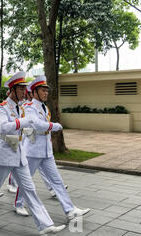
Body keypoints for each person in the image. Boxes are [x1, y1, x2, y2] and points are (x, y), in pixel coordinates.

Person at [0, 71, 65, 236]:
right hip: (4, 154)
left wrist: (32, 130)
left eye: (24, 88)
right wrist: (24, 122)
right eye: (20, 88)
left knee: (30, 190)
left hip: (19, 154)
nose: (23, 91)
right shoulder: (3, 106)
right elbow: (4, 128)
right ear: (12, 89)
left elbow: (24, 129)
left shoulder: (22, 107)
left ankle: (45, 225)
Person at [14, 75, 90, 221]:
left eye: (47, 91)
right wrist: (53, 126)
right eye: (43, 91)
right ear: (34, 92)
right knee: (26, 180)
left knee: (57, 181)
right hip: (33, 150)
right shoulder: (29, 107)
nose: (46, 93)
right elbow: (36, 124)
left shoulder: (44, 107)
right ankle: (18, 204)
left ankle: (70, 210)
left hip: (46, 151)